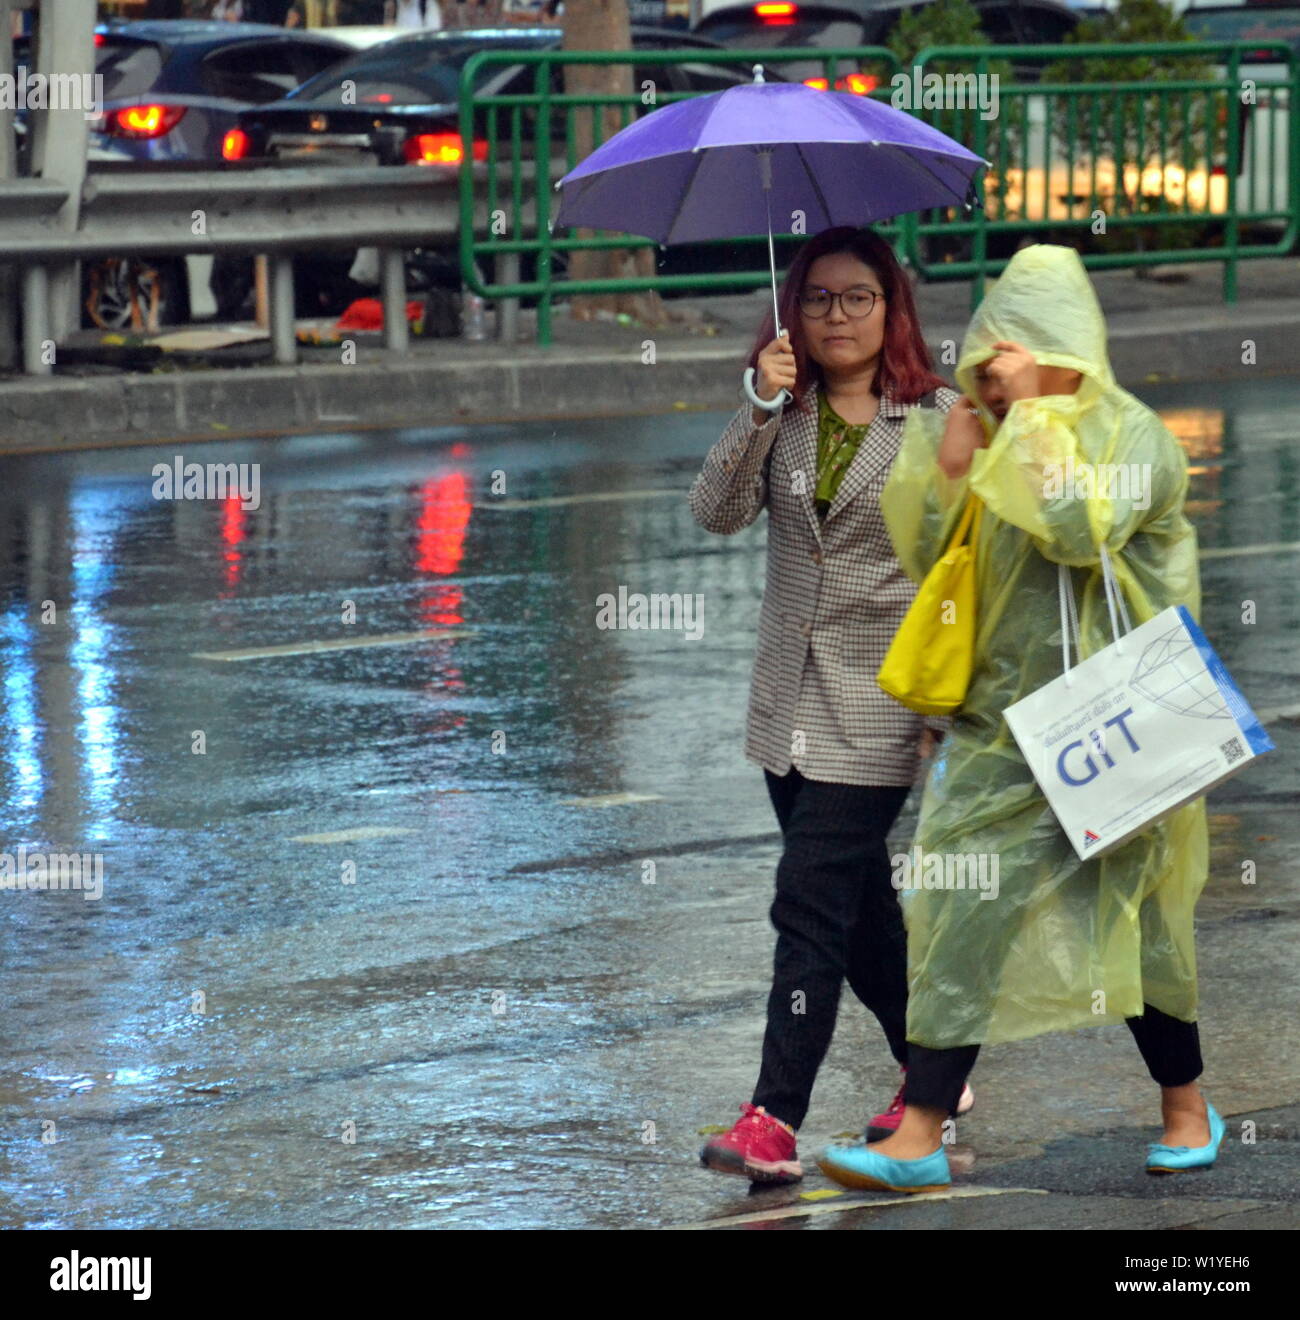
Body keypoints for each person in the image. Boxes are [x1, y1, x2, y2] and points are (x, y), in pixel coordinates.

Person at [818, 243, 1218, 1195]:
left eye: (1016, 347)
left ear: (1063, 348)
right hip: (1005, 732)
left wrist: (1032, 423)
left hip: (1116, 722)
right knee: (957, 918)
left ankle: (1187, 1108)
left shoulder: (1131, 436)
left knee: (1140, 927)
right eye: (989, 345)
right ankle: (918, 1134)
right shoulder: (992, 431)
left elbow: (1079, 528)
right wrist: (952, 472)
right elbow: (935, 564)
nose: (993, 363)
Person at [690, 226, 973, 1185]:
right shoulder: (788, 406)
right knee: (856, 916)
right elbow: (713, 511)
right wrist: (761, 404)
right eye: (816, 300)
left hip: (885, 700)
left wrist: (953, 701)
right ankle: (933, 1071)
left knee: (806, 903)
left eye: (857, 298)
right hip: (787, 703)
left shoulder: (937, 417)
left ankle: (772, 1120)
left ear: (892, 309)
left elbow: (965, 567)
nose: (836, 316)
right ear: (791, 314)